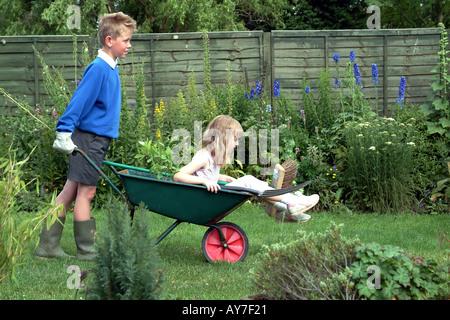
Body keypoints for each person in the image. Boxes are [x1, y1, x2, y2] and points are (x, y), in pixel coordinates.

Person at [36, 12, 136, 260]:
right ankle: (87, 251)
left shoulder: (110, 67)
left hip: (94, 138)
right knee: (86, 193)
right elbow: (78, 102)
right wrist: (64, 130)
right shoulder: (99, 69)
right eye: (126, 40)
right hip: (89, 139)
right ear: (110, 40)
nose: (129, 45)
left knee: (71, 190)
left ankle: (47, 247)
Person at [173, 115, 319, 223]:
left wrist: (219, 178)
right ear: (223, 137)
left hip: (210, 198)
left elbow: (203, 174)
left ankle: (285, 210)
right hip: (206, 200)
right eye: (235, 139)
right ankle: (292, 201)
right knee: (249, 181)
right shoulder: (203, 156)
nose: (236, 144)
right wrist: (204, 182)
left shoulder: (211, 157)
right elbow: (178, 176)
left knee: (253, 188)